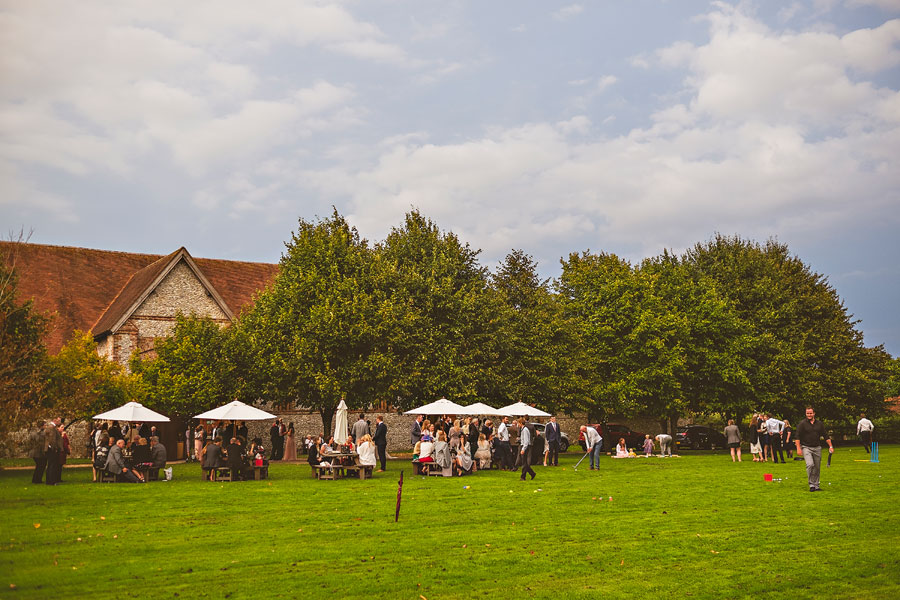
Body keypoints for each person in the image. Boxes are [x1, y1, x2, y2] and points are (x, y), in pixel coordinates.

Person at [795, 407, 834, 492]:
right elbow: (797, 437)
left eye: (810, 413)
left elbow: (825, 435)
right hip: (806, 447)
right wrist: (798, 448)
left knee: (817, 467)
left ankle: (816, 485)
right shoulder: (802, 424)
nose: (809, 415)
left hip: (817, 448)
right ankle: (811, 484)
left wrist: (830, 446)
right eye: (807, 413)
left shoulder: (819, 424)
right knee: (810, 465)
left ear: (814, 413)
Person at [44, 417, 63, 485]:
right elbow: (52, 439)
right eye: (59, 421)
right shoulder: (52, 428)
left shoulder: (51, 427)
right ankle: (51, 481)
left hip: (50, 448)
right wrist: (55, 448)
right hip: (51, 449)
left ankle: (49, 481)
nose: (60, 422)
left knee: (50, 465)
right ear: (55, 420)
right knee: (52, 465)